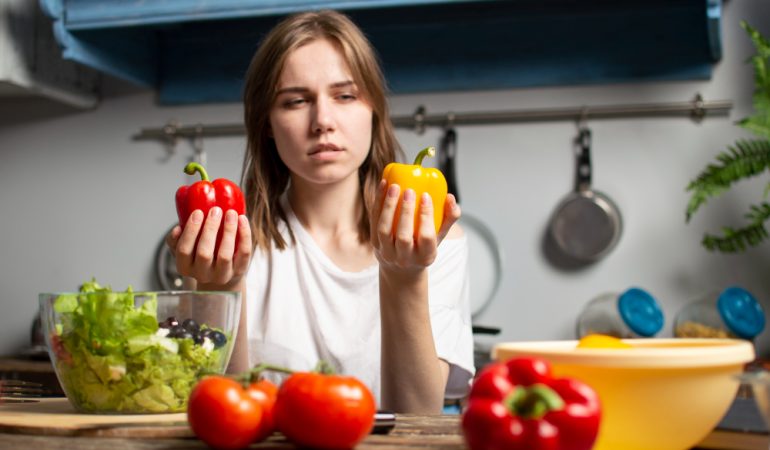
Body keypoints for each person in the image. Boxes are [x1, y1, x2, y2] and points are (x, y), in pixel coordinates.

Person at [166, 9, 474, 414]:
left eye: (345, 96)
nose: (323, 121)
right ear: (268, 125)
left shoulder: (432, 237)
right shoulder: (231, 246)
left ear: (374, 111)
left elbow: (417, 417)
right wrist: (219, 290)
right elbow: (222, 411)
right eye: (295, 101)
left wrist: (405, 275)